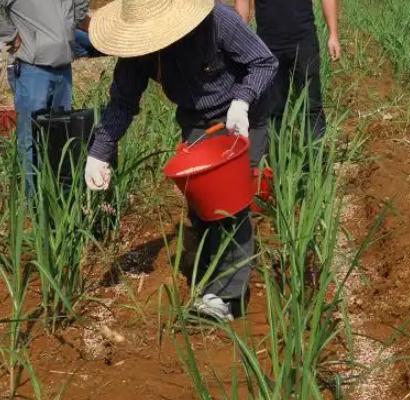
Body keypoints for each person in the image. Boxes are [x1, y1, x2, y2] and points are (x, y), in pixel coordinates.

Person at [85, 0, 278, 321]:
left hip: (244, 114)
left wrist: (242, 101)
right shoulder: (139, 47)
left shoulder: (219, 20)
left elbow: (264, 62)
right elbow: (122, 101)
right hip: (197, 119)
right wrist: (99, 151)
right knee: (203, 201)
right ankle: (209, 272)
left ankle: (225, 297)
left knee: (229, 204)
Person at [0, 0, 89, 193]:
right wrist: (10, 34)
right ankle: (33, 203)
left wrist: (70, 25)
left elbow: (81, 5)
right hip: (32, 69)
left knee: (61, 135)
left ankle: (59, 199)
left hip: (63, 68)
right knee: (31, 139)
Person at [235, 0, 341, 140]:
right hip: (268, 45)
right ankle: (276, 157)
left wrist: (333, 34)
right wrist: (240, 42)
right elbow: (242, 3)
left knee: (310, 105)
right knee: (272, 109)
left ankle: (313, 158)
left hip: (304, 41)